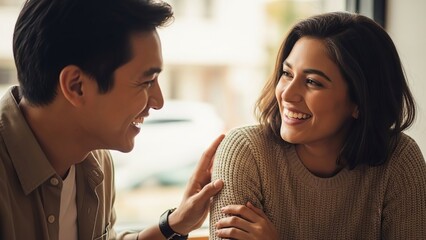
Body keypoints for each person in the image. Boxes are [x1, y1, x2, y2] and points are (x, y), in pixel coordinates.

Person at [0, 0, 224, 239]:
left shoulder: (96, 162)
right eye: (146, 82)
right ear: (76, 86)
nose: (158, 102)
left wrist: (175, 224)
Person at [209, 11, 426, 239]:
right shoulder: (246, 152)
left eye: (313, 82)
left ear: (360, 101)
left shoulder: (399, 159)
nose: (288, 94)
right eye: (287, 74)